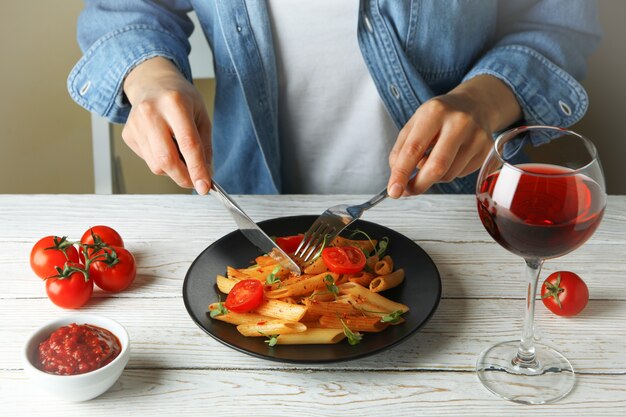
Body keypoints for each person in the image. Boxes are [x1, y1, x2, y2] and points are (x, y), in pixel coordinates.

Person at [68, 0, 601, 197]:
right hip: (248, 209)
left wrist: (484, 101)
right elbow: (125, 9)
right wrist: (150, 77)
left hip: (465, 214)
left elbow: (560, 21)